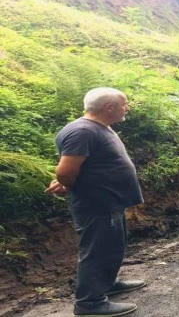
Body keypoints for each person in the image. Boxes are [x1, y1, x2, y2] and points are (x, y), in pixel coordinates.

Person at [45, 87, 146, 316]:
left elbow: (84, 166)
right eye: (124, 104)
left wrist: (69, 180)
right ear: (109, 108)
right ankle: (89, 304)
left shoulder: (99, 128)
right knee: (97, 251)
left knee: (112, 247)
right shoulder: (83, 131)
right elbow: (65, 171)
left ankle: (106, 285)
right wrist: (66, 182)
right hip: (96, 204)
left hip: (109, 202)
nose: (127, 108)